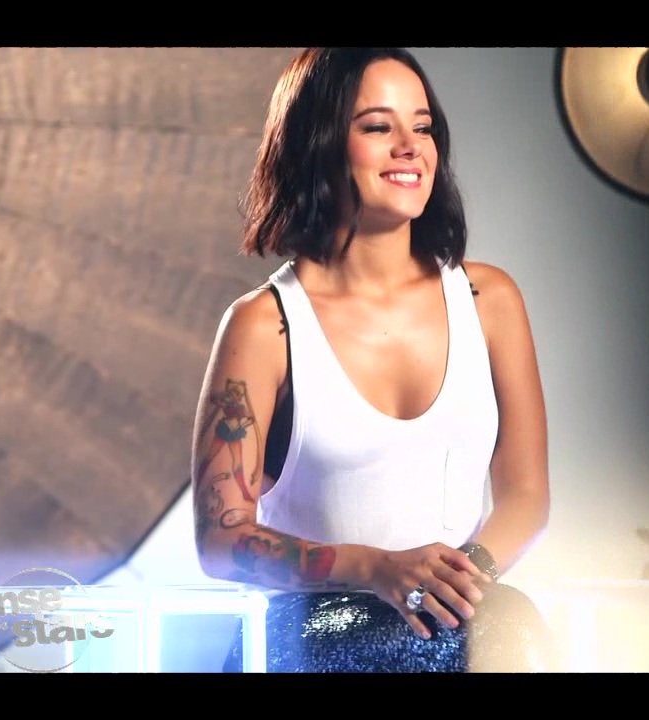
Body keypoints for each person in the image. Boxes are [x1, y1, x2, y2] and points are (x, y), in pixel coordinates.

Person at [191, 48, 553, 672]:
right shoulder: (264, 325)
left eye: (423, 127)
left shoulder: (489, 300)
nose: (410, 147)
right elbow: (220, 540)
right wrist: (378, 569)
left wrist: (455, 583)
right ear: (319, 144)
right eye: (379, 126)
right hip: (311, 641)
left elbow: (526, 494)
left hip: (456, 624)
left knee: (512, 620)